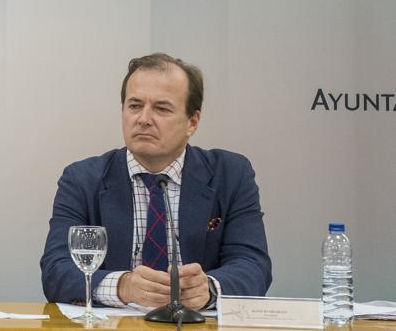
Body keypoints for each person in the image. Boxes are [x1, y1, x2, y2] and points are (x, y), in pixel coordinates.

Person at [40, 53, 272, 310]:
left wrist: (208, 289)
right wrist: (123, 286)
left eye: (161, 108)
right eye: (135, 105)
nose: (143, 119)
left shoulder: (230, 175)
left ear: (192, 122)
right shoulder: (82, 179)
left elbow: (253, 266)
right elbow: (55, 270)